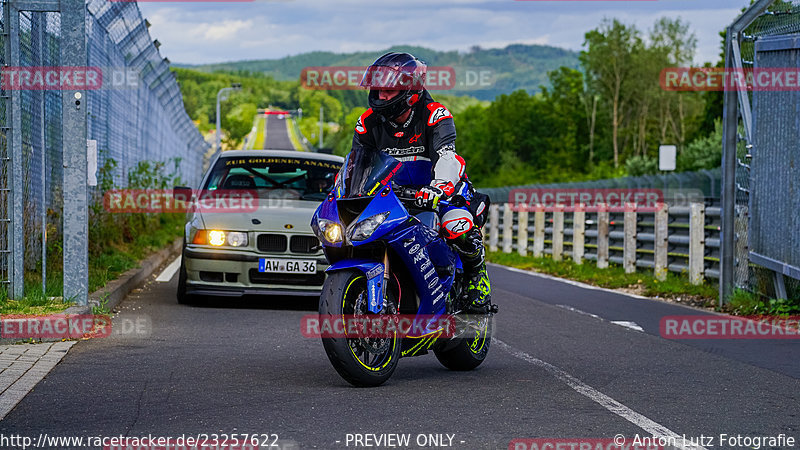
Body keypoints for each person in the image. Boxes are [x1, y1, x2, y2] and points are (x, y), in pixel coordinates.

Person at [351, 52, 491, 312]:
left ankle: (476, 278)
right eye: (379, 89)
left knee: (456, 224)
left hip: (441, 190)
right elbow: (356, 165)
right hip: (393, 196)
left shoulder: (434, 114)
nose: (381, 95)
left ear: (410, 90)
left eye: (389, 90)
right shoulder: (366, 123)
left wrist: (439, 187)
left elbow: (447, 156)